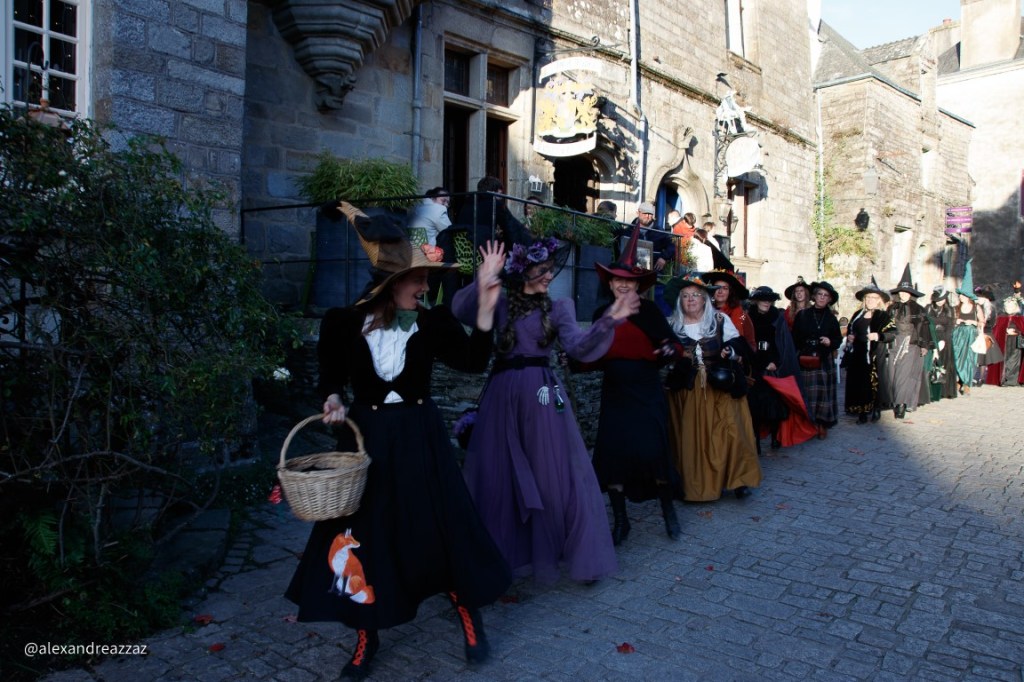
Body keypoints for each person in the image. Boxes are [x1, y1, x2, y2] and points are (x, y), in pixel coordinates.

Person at [285, 204, 512, 679]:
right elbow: (330, 378)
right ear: (394, 283)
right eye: (420, 280)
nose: (426, 288)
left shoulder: (431, 322)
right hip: (368, 441)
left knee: (440, 526)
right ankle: (367, 633)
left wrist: (488, 298)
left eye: (428, 280)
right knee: (368, 535)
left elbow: (472, 360)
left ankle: (469, 615)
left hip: (421, 437)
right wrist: (332, 399)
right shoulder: (343, 323)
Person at [452, 236, 639, 585]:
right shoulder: (501, 302)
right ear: (523, 271)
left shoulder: (560, 308)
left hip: (541, 396)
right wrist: (483, 276)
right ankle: (499, 557)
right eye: (542, 270)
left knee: (559, 474)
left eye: (551, 270)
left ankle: (571, 549)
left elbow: (580, 347)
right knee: (499, 475)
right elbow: (461, 310)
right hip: (503, 395)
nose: (548, 276)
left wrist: (609, 320)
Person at [585, 226, 681, 544]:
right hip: (615, 392)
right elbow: (589, 354)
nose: (623, 285)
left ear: (637, 285)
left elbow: (672, 346)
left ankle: (668, 511)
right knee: (613, 457)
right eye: (617, 281)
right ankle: (621, 522)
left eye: (629, 282)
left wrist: (664, 351)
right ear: (610, 283)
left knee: (653, 452)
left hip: (646, 392)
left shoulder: (650, 311)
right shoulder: (602, 313)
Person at [664, 274, 762, 502]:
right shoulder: (671, 325)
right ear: (679, 301)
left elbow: (739, 345)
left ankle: (739, 481)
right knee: (691, 440)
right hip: (687, 391)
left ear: (705, 299)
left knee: (731, 433)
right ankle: (694, 484)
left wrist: (731, 352)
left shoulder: (719, 320)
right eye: (685, 296)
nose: (690, 300)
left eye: (696, 295)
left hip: (720, 387)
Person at [439, 176, 532, 305]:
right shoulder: (495, 204)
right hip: (483, 258)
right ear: (496, 192)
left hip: (463, 257)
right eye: (500, 194)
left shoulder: (467, 203)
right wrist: (529, 241)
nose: (501, 197)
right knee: (512, 255)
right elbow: (511, 228)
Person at [746, 285, 817, 451]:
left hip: (773, 366)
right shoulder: (746, 316)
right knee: (754, 406)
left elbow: (783, 343)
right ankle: (755, 441)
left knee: (775, 404)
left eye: (769, 300)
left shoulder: (777, 317)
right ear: (756, 300)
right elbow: (741, 336)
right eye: (763, 299)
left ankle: (775, 437)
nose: (766, 302)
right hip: (754, 365)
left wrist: (775, 362)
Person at [791, 281, 842, 439]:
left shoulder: (831, 318)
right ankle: (809, 425)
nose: (822, 298)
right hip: (805, 359)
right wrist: (802, 350)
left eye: (825, 296)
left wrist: (830, 342)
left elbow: (838, 340)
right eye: (819, 294)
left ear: (829, 300)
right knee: (807, 394)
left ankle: (822, 424)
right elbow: (794, 337)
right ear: (814, 296)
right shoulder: (803, 314)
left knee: (823, 395)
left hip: (823, 360)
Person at [843, 278, 895, 424]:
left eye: (874, 297)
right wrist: (850, 338)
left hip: (874, 355)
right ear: (864, 299)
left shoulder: (883, 316)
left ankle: (876, 408)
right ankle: (862, 412)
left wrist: (878, 335)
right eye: (868, 297)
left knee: (873, 383)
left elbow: (892, 333)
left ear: (879, 300)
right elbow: (850, 331)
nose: (871, 300)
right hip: (857, 354)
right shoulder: (857, 314)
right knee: (858, 383)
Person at [885, 266, 933, 419]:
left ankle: (901, 405)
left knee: (903, 375)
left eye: (906, 292)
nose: (903, 294)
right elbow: (886, 326)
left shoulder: (918, 309)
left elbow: (923, 327)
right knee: (892, 373)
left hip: (909, 344)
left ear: (911, 294)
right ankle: (894, 401)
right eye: (901, 292)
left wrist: (924, 345)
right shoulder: (892, 308)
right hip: (893, 343)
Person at [703, 269, 755, 352]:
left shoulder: (742, 315)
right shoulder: (704, 310)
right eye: (717, 288)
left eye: (725, 288)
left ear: (730, 292)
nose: (720, 291)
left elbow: (749, 341)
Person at [952, 261, 982, 396]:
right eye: (960, 295)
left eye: (963, 295)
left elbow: (982, 321)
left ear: (968, 297)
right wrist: (957, 321)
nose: (960, 297)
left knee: (969, 359)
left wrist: (973, 322)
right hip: (959, 334)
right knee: (957, 357)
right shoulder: (956, 308)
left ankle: (967, 383)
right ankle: (959, 379)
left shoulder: (976, 308)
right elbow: (952, 321)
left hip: (971, 334)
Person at [926, 286, 959, 401]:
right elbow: (926, 323)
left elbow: (950, 327)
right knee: (932, 365)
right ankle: (930, 391)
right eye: (939, 299)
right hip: (931, 337)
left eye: (943, 299)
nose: (941, 302)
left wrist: (944, 340)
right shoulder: (929, 308)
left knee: (944, 365)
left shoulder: (949, 310)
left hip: (944, 339)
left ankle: (944, 391)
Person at [630, 201, 674, 273]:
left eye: (650, 214)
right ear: (638, 213)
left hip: (653, 271)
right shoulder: (630, 229)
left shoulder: (660, 232)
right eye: (644, 213)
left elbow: (671, 246)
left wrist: (663, 257)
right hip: (632, 270)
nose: (647, 216)